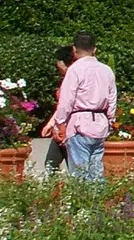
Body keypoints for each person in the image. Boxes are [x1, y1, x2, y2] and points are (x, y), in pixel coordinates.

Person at [49, 31, 117, 180]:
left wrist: (59, 124)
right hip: (100, 124)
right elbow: (112, 100)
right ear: (95, 49)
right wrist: (110, 121)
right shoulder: (106, 70)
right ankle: (97, 201)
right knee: (96, 171)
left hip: (79, 124)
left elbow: (66, 101)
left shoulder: (75, 70)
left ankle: (82, 202)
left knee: (80, 173)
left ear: (74, 49)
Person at [41, 45, 75, 172]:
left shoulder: (74, 80)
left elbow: (68, 105)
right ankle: (54, 190)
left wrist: (56, 125)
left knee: (67, 165)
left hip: (69, 127)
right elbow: (62, 106)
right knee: (51, 163)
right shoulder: (67, 80)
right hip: (62, 125)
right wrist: (50, 124)